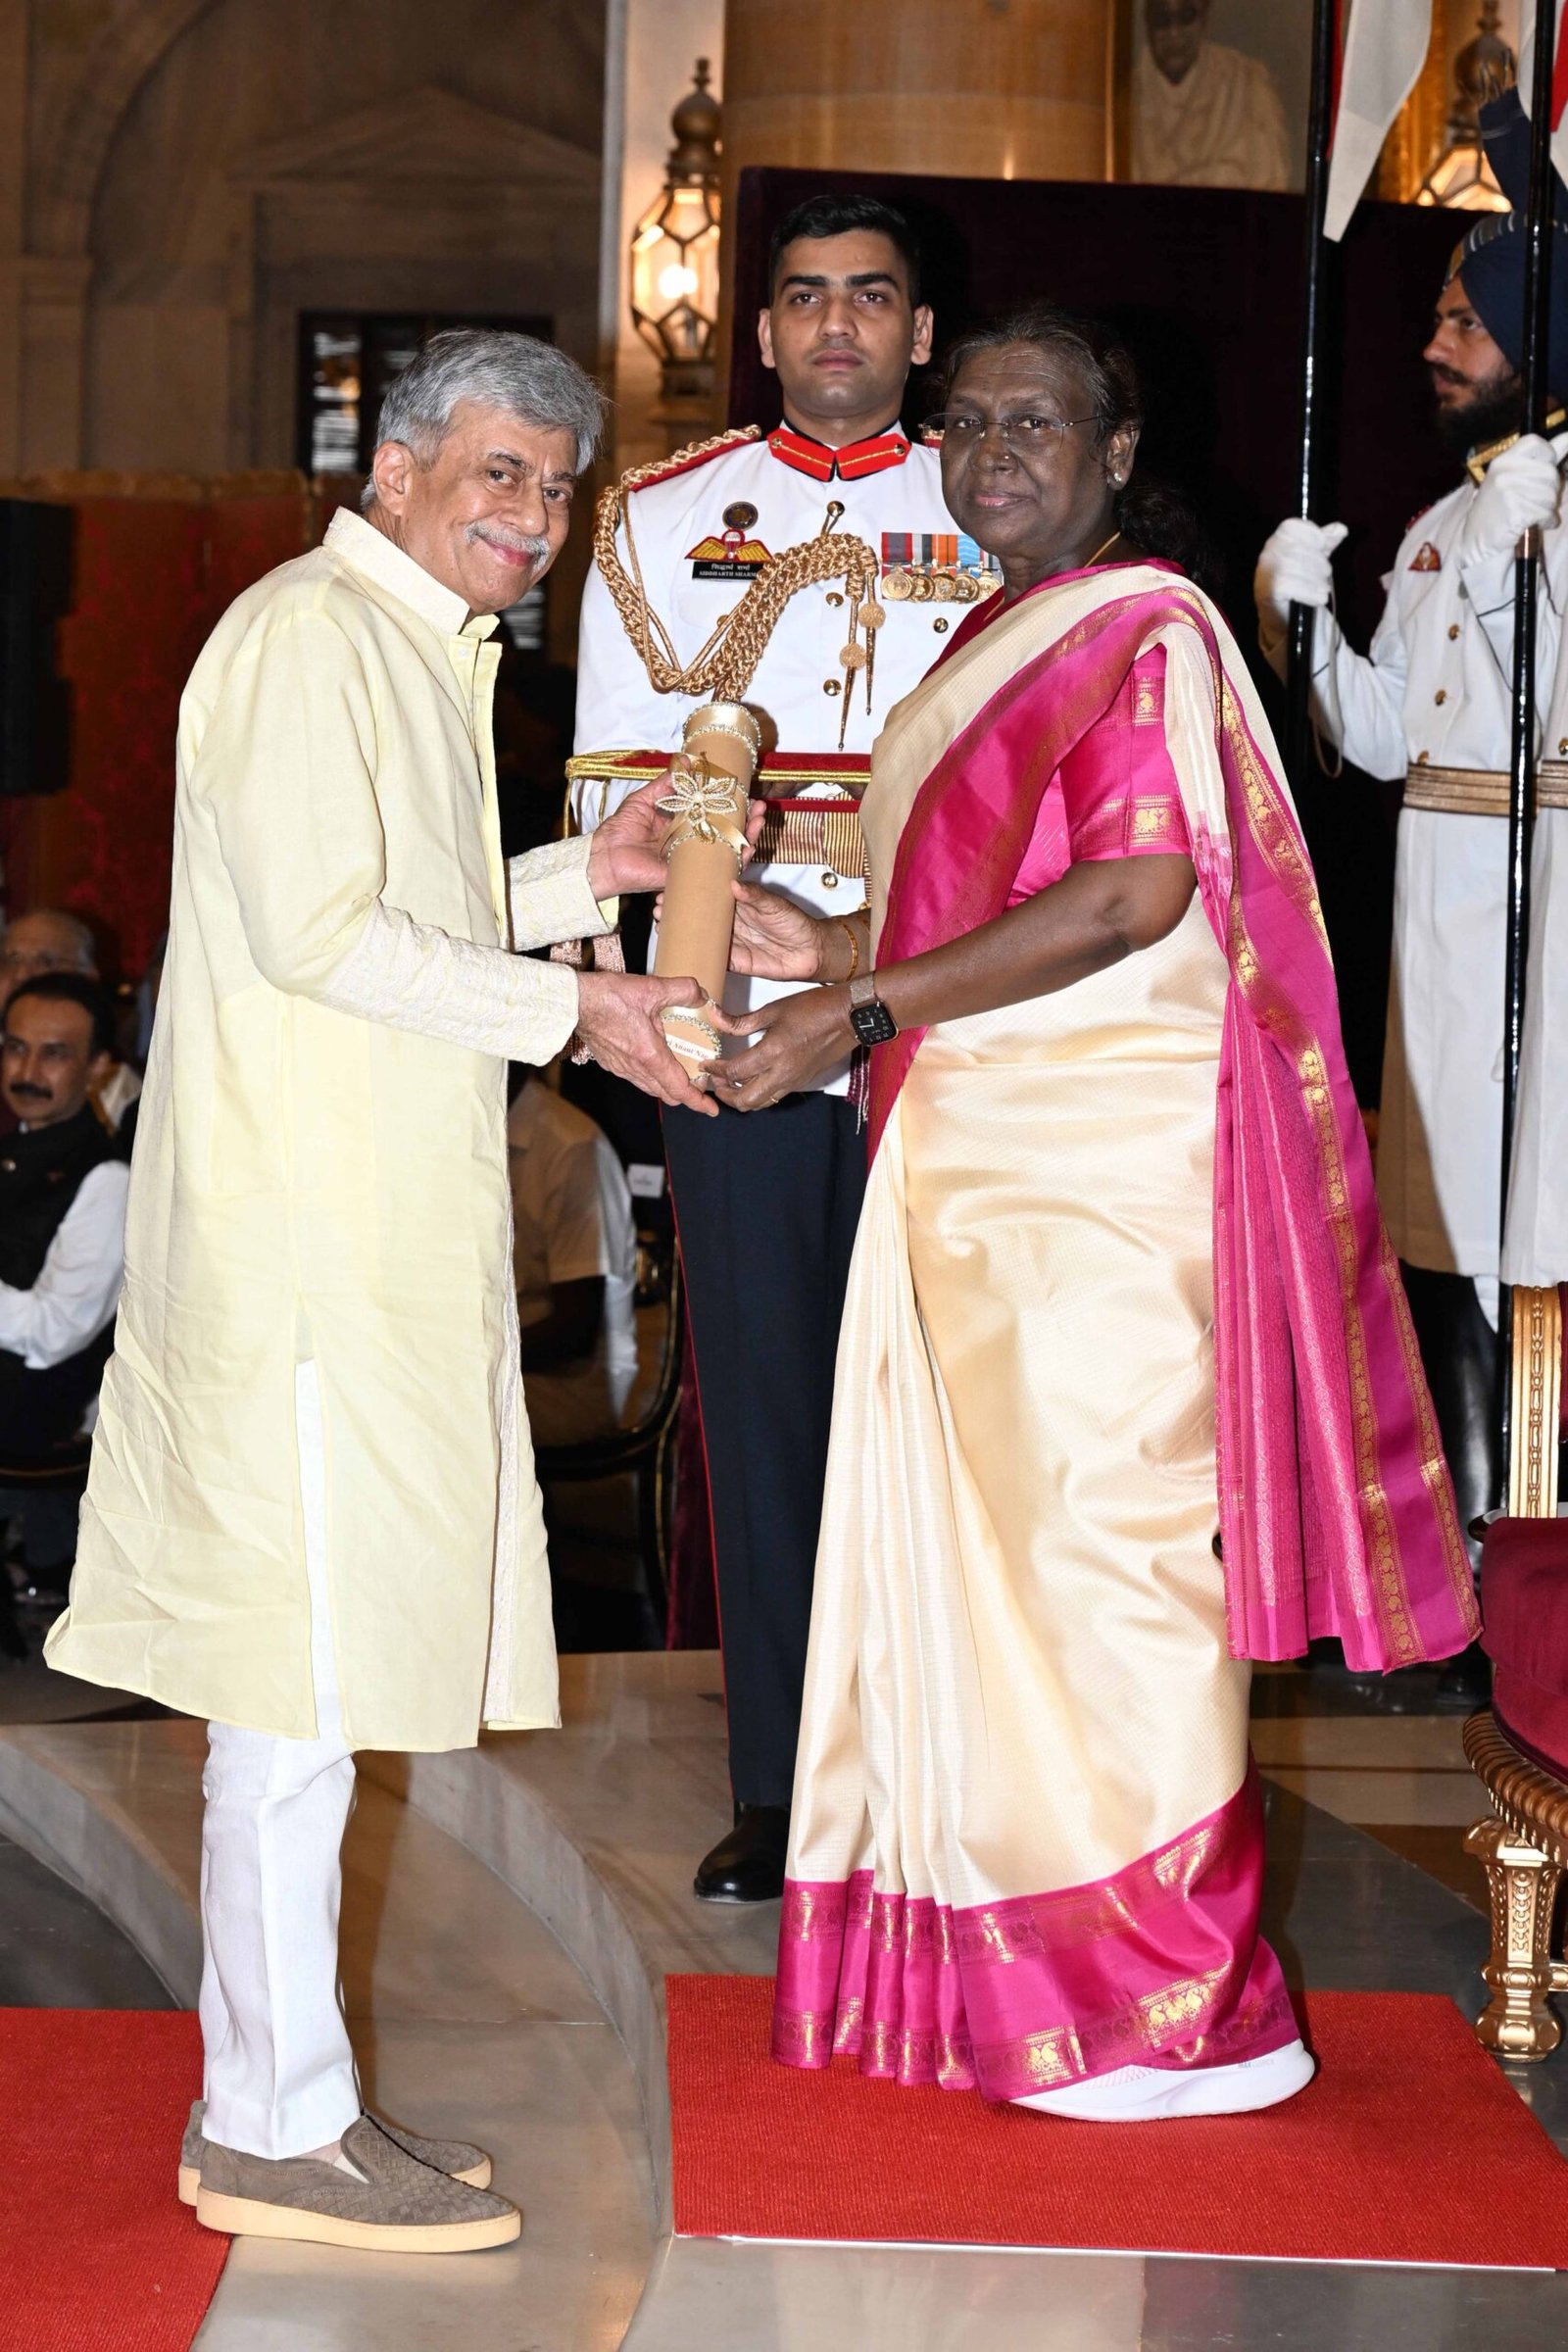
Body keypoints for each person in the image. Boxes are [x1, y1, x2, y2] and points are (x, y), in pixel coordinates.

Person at [714, 305, 1474, 2122]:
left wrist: (861, 1007)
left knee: (1109, 1575)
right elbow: (1000, 907)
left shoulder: (1144, 630)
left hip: (1100, 1183)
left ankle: (1182, 2002)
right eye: (964, 423)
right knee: (996, 1594)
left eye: (1035, 421)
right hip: (981, 1168)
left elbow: (1135, 900)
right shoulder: (994, 634)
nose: (992, 453)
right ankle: (1037, 1979)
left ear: (1122, 448)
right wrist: (833, 951)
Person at [46, 328, 727, 2255]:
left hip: (357, 1246)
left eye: (555, 491)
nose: (532, 521)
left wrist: (561, 877)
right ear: (403, 472)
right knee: (294, 1692)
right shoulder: (304, 641)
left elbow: (390, 901)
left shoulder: (409, 653)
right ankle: (266, 2126)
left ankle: (300, 2104)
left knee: (322, 1695)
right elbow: (321, 935)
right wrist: (578, 1003)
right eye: (500, 476)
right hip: (297, 1255)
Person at [573, 192, 978, 1903]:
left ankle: (963, 1767)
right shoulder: (662, 515)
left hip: (943, 991)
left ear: (922, 332)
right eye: (805, 299)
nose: (836, 327)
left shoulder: (996, 497)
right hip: (739, 989)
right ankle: (785, 1787)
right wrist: (646, 1000)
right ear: (759, 333)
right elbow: (613, 788)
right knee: (762, 1393)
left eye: (871, 299)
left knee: (961, 1392)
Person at [1254, 88, 1568, 1683]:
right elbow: (1383, 741)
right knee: (1440, 1239)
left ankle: (1532, 1570)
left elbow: (1536, 723)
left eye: (1468, 319)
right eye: (1440, 314)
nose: (1437, 342)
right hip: (1434, 912)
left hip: (1547, 903)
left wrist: (1533, 566)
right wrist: (1301, 622)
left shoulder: (1547, 509)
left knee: (1535, 1239)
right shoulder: (1454, 510)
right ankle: (1444, 1577)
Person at [0, 976, 128, 1590]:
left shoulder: (106, 1179)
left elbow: (53, 1336)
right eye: (15, 1047)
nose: (27, 1069)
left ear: (99, 1067)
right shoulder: (14, 1150)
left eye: (54, 1053)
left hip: (32, 1397)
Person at [508, 1066, 639, 1446]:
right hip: (512, 1362)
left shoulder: (571, 1145)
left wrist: (468, 1359)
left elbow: (574, 1331)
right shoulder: (471, 1131)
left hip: (576, 1383)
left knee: (434, 1423)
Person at [0, 906, 141, 1137]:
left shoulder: (115, 1090)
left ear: (88, 977)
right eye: (11, 959)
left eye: (46, 961)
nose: (22, 975)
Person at [1133, 0, 1290, 193]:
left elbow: (1272, 189)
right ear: (1148, 22)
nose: (1174, 32)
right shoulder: (1125, 98)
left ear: (1204, 17)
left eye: (1187, 16)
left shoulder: (1248, 86)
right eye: (1161, 19)